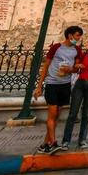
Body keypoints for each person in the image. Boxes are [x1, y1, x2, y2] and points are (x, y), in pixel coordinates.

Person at [34, 26, 83, 154]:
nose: (79, 38)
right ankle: (54, 143)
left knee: (56, 117)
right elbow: (46, 65)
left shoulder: (77, 50)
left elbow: (76, 69)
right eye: (77, 35)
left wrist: (71, 69)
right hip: (52, 84)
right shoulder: (56, 48)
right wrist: (39, 86)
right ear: (70, 35)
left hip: (65, 84)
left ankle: (45, 144)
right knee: (52, 114)